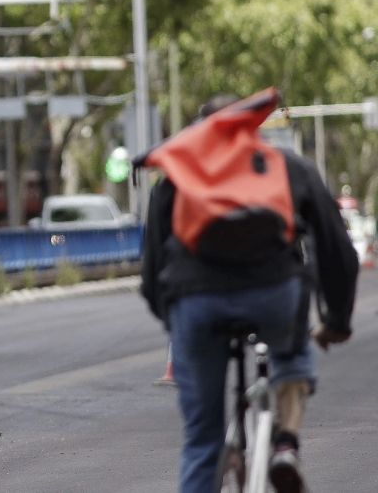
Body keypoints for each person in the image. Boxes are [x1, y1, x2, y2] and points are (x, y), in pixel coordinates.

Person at [140, 93, 358, 493]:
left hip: (197, 301)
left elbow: (153, 268)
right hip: (273, 295)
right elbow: (337, 250)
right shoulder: (286, 166)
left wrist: (175, 321)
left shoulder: (175, 175)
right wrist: (336, 321)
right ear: (253, 126)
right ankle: (285, 446)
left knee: (202, 442)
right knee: (292, 354)